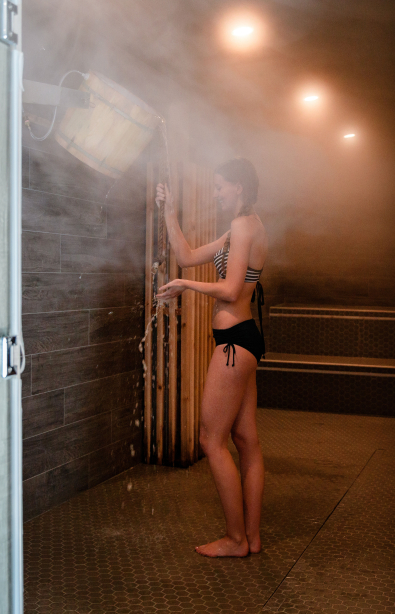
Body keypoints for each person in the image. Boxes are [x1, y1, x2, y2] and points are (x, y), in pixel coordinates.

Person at [155, 157, 268, 558]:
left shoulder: (242, 227)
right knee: (245, 440)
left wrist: (186, 285)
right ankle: (251, 538)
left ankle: (236, 540)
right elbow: (185, 255)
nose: (216, 193)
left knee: (211, 439)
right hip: (246, 341)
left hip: (234, 345)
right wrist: (170, 211)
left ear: (238, 186)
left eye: (220, 186)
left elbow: (232, 289)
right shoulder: (245, 227)